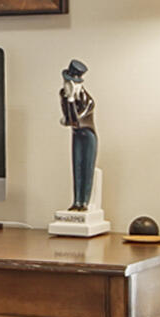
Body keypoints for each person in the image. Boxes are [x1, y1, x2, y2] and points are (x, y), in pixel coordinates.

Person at [60, 59, 97, 213]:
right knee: (77, 166)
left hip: (88, 134)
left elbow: (75, 119)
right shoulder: (63, 94)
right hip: (76, 133)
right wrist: (68, 99)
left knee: (87, 167)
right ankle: (76, 201)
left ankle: (84, 202)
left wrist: (71, 99)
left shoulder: (88, 100)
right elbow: (67, 117)